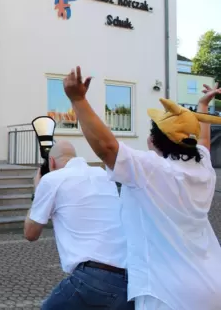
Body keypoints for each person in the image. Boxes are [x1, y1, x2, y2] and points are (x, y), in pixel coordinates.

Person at [62, 67, 221, 310]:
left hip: (168, 294)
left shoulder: (152, 170)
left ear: (153, 141)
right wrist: (201, 107)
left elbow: (107, 148)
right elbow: (203, 142)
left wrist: (78, 100)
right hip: (212, 283)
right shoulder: (202, 165)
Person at [24, 140, 131, 310]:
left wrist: (37, 193)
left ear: (51, 162)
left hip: (90, 280)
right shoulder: (103, 174)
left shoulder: (52, 179)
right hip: (129, 280)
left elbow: (30, 233)